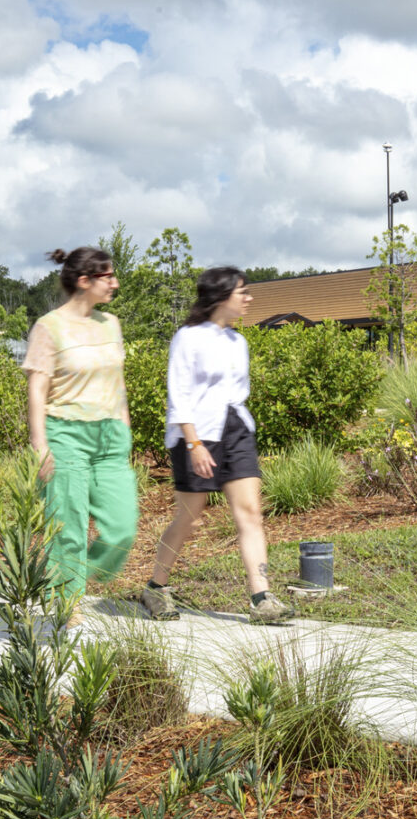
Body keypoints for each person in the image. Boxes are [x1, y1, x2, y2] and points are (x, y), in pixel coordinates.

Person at [140, 266, 288, 624]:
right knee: (189, 519)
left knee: (250, 512)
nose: (249, 298)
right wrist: (194, 445)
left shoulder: (239, 341)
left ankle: (261, 597)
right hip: (197, 433)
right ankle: (155, 588)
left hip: (235, 428)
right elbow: (179, 396)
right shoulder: (188, 337)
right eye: (243, 292)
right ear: (222, 296)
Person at [23, 245, 137, 626]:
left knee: (122, 527)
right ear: (84, 281)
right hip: (65, 433)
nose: (115, 283)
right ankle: (65, 601)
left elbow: (117, 381)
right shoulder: (49, 326)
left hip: (109, 437)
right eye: (108, 277)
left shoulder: (111, 324)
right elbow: (37, 389)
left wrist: (124, 426)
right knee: (68, 527)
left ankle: (74, 578)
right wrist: (40, 445)